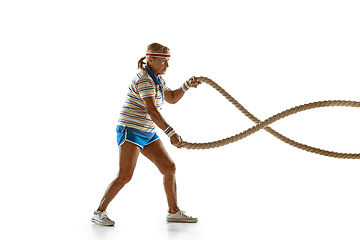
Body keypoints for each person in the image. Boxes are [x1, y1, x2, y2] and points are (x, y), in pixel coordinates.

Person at [91, 43, 201, 226]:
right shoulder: (144, 79)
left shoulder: (158, 78)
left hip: (147, 131)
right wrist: (171, 133)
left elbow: (171, 98)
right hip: (130, 130)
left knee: (169, 168)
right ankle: (99, 212)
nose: (167, 66)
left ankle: (173, 212)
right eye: (164, 62)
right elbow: (152, 111)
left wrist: (186, 86)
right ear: (151, 59)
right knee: (125, 175)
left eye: (168, 62)